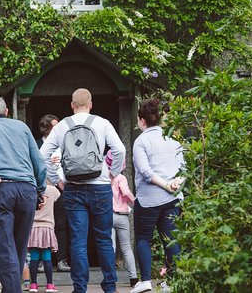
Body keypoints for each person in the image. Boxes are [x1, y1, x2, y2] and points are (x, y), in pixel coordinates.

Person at [40, 88, 126, 293]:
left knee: (78, 240)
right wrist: (113, 174)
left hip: (73, 188)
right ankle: (110, 286)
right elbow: (120, 150)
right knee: (104, 238)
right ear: (91, 104)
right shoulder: (102, 123)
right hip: (101, 187)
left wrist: (57, 180)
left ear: (71, 105)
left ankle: (80, 287)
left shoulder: (61, 126)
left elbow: (42, 155)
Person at [0, 96, 47, 293]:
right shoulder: (21, 127)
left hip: (2, 189)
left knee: (4, 250)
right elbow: (38, 160)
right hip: (27, 190)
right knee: (19, 248)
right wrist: (41, 189)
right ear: (6, 112)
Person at [129, 99, 185, 293]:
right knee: (170, 239)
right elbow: (184, 167)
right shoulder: (172, 139)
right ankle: (172, 281)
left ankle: (145, 281)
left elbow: (144, 171)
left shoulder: (141, 141)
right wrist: (175, 184)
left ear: (142, 120)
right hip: (172, 199)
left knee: (143, 238)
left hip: (148, 199)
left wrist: (165, 184)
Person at [38, 114, 70, 273]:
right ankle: (43, 261)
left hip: (62, 188)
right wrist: (46, 163)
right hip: (44, 189)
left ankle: (62, 260)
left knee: (62, 224)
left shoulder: (63, 143)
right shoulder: (37, 145)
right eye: (55, 126)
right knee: (42, 225)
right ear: (46, 128)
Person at [105, 150, 138, 287]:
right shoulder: (121, 178)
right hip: (122, 216)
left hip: (108, 216)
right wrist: (135, 202)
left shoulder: (105, 177)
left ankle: (111, 278)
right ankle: (133, 278)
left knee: (110, 247)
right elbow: (125, 192)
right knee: (126, 247)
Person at [27, 181, 61, 293]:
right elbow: (58, 195)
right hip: (47, 227)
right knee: (47, 256)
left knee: (34, 257)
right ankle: (50, 285)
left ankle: (33, 284)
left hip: (33, 227)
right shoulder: (52, 190)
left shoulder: (30, 189)